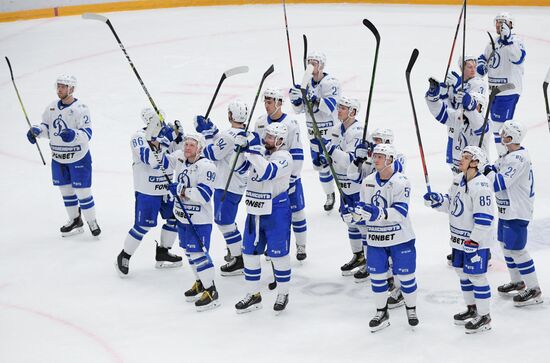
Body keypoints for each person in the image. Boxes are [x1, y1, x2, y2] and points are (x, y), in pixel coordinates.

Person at [424, 146, 494, 334]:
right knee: (462, 273)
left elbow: (485, 218)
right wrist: (437, 201)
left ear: (475, 163)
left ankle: (485, 316)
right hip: (457, 240)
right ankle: (472, 308)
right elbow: (452, 205)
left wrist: (475, 241)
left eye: (466, 157)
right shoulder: (457, 180)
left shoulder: (482, 186)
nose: (460, 159)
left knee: (477, 277)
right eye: (461, 156)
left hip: (475, 243)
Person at [352, 144, 418, 332]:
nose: (375, 159)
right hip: (375, 239)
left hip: (400, 238)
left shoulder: (401, 181)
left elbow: (401, 211)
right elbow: (364, 208)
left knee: (406, 277)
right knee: (378, 278)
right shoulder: (368, 181)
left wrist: (378, 213)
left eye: (380, 156)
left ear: (390, 159)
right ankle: (381, 312)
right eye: (375, 156)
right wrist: (354, 214)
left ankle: (411, 309)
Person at [26, 74, 100, 237]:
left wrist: (74, 135)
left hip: (78, 157)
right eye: (58, 86)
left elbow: (87, 133)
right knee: (65, 190)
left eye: (63, 86)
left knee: (82, 192)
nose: (59, 89)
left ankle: (91, 221)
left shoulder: (81, 108)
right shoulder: (51, 107)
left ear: (71, 88)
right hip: (58, 158)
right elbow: (48, 129)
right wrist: (37, 131)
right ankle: (74, 220)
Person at [233, 123, 293, 314]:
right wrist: (240, 149)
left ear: (280, 140)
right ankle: (253, 294)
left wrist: (252, 151)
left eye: (270, 137)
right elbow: (239, 169)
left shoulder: (284, 157)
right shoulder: (259, 153)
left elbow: (268, 172)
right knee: (249, 253)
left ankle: (283, 293)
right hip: (254, 208)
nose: (266, 139)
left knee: (279, 255)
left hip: (276, 210)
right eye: (265, 135)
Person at [115, 108, 183, 277]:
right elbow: (151, 160)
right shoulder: (138, 137)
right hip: (147, 191)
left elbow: (180, 155)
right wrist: (164, 141)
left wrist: (180, 137)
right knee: (143, 225)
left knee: (174, 218)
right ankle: (124, 256)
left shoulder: (167, 133)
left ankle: (163, 252)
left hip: (167, 189)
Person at [484, 121, 543, 306]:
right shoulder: (507, 155)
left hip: (517, 211)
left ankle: (534, 289)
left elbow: (497, 183)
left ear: (515, 138)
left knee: (517, 250)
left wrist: (487, 170)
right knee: (504, 245)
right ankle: (518, 281)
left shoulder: (518, 159)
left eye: (506, 136)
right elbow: (494, 169)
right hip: (506, 209)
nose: (502, 139)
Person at [312, 96, 365, 276]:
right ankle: (358, 256)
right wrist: (323, 160)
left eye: (343, 107)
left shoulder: (358, 132)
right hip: (343, 187)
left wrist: (330, 149)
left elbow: (349, 161)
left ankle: (371, 262)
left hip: (357, 187)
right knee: (350, 222)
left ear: (353, 111)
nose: (339, 110)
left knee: (363, 224)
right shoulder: (336, 129)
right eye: (339, 107)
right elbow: (332, 158)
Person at [254, 88, 307, 261]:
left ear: (279, 103)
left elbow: (297, 152)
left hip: (287, 176)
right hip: (268, 176)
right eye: (265, 102)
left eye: (270, 102)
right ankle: (272, 245)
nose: (267, 106)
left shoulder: (291, 123)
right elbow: (257, 148)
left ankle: (301, 246)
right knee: (269, 213)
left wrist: (292, 179)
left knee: (297, 212)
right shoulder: (261, 122)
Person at [197, 100, 249, 276]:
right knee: (227, 221)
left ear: (230, 115)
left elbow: (211, 154)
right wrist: (213, 131)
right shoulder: (245, 134)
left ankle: (239, 258)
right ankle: (235, 251)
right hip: (237, 185)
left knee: (224, 222)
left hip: (226, 185)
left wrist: (206, 134)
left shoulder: (228, 136)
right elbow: (224, 147)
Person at [169, 133, 219, 312]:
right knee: (190, 253)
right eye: (186, 144)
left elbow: (204, 195)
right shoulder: (182, 162)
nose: (187, 147)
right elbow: (160, 161)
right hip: (183, 217)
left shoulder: (207, 167)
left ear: (200, 148)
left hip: (199, 220)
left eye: (191, 145)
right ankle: (200, 282)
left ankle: (211, 291)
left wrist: (181, 190)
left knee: (198, 254)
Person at [289, 51, 341, 211]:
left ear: (322, 65)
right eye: (309, 61)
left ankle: (346, 196)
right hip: (313, 133)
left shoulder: (330, 82)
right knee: (321, 166)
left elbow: (329, 107)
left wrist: (312, 98)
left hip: (331, 132)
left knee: (338, 165)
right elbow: (299, 110)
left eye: (315, 62)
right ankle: (329, 194)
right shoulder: (306, 83)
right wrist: (297, 99)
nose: (311, 65)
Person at [477, 12, 526, 155]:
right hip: (494, 92)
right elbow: (484, 59)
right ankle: (504, 158)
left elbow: (517, 57)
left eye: (503, 22)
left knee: (499, 129)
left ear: (511, 24)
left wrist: (508, 40)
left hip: (508, 91)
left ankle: (503, 158)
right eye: (497, 21)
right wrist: (480, 66)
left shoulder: (517, 42)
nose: (500, 25)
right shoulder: (493, 42)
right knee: (497, 128)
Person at [426, 68, 490, 175]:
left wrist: (468, 101)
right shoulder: (458, 117)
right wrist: (433, 97)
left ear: (481, 108)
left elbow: (477, 123)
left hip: (478, 171)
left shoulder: (486, 123)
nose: (468, 108)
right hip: (460, 168)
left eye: (475, 105)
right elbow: (440, 113)